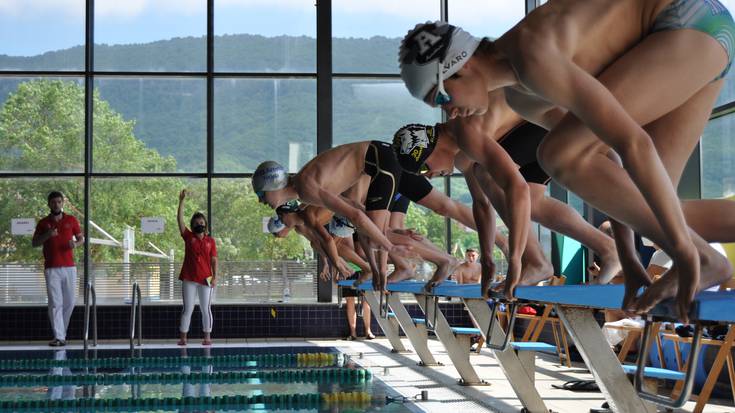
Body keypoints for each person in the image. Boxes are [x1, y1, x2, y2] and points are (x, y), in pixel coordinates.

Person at [398, 5, 735, 318]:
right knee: (646, 204)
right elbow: (608, 159)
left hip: (684, 21)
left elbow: (632, 142)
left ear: (462, 67)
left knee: (558, 154)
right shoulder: (522, 95)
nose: (449, 112)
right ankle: (702, 256)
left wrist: (683, 251)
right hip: (705, 33)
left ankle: (701, 257)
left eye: (441, 97)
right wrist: (629, 257)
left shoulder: (530, 56)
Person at [392, 120, 619, 297]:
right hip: (533, 135)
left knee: (490, 175)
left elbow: (513, 188)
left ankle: (537, 262)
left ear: (430, 149)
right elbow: (482, 205)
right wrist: (489, 258)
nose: (429, 175)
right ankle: (608, 249)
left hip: (544, 122)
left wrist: (515, 260)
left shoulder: (466, 131)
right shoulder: (463, 156)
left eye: (423, 169)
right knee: (533, 202)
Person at [32, 191, 84, 347]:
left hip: (69, 267)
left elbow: (81, 238)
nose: (56, 204)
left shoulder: (71, 220)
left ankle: (62, 333)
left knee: (70, 302)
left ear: (63, 203)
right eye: (53, 202)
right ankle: (59, 337)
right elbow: (34, 243)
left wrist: (76, 244)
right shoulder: (43, 223)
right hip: (52, 268)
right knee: (55, 303)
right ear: (49, 204)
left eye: (59, 202)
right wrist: (48, 234)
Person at [177, 189, 218, 346]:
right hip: (189, 278)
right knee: (188, 308)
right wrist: (181, 202)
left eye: (201, 223)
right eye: (196, 223)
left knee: (205, 309)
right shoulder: (188, 237)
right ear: (193, 225)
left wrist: (215, 276)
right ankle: (183, 338)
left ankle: (207, 338)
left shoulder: (210, 241)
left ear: (205, 225)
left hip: (206, 278)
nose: (199, 225)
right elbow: (180, 221)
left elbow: (214, 260)